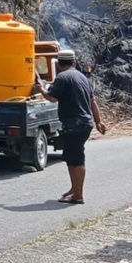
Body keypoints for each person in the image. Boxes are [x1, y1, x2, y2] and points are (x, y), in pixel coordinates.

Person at [43, 49, 108, 203]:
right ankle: (74, 189)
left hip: (74, 124)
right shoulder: (82, 77)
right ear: (74, 62)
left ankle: (78, 195)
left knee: (76, 159)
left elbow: (52, 98)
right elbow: (93, 102)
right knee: (72, 158)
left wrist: (40, 89)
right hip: (84, 123)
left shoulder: (62, 77)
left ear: (58, 64)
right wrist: (98, 121)